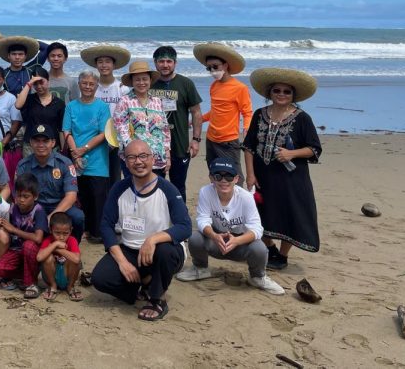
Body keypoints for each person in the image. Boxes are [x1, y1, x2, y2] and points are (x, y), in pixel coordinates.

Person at [91, 140, 191, 322]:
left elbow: (185, 227)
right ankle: (144, 284)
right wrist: (122, 262)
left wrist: (152, 239)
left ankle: (157, 299)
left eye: (143, 156)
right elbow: (106, 225)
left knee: (165, 251)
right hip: (130, 249)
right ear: (125, 161)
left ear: (153, 159)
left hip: (161, 250)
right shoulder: (119, 189)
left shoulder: (167, 189)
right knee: (100, 278)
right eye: (132, 157)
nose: (138, 162)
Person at [244, 67, 322, 270]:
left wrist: (291, 154)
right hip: (263, 176)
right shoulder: (259, 114)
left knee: (290, 213)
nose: (281, 95)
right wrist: (250, 174)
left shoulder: (302, 118)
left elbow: (314, 149)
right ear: (269, 93)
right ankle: (270, 248)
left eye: (286, 92)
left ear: (293, 95)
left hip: (291, 178)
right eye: (277, 90)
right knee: (259, 212)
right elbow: (248, 146)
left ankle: (283, 256)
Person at [176, 158, 285, 294]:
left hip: (240, 244)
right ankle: (200, 268)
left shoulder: (246, 197)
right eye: (218, 176)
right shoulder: (206, 192)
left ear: (236, 179)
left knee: (259, 248)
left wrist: (237, 240)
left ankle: (257, 277)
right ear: (211, 178)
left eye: (228, 176)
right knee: (195, 237)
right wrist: (214, 236)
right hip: (217, 241)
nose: (223, 181)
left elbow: (257, 228)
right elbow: (202, 220)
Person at [62, 70, 112, 243]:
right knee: (80, 197)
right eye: (85, 83)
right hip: (75, 159)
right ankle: (82, 230)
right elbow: (67, 130)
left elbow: (104, 132)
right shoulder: (71, 106)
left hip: (98, 160)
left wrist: (84, 149)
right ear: (79, 84)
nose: (88, 87)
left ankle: (97, 232)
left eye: (91, 84)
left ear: (97, 86)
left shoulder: (102, 107)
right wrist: (75, 153)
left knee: (97, 198)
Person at [149, 46, 203, 199]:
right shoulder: (148, 83)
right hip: (154, 146)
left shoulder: (185, 84)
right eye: (161, 61)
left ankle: (180, 221)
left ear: (175, 63)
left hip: (179, 145)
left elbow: (196, 112)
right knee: (154, 187)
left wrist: (196, 139)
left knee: (178, 187)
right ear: (155, 63)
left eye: (169, 61)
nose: (165, 65)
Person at [16, 124, 84, 241]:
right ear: (31, 143)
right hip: (34, 207)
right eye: (37, 141)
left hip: (60, 206)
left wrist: (52, 216)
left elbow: (71, 196)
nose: (41, 145)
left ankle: (72, 249)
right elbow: (19, 194)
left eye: (45, 141)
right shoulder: (23, 165)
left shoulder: (64, 163)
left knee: (78, 217)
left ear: (53, 143)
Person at [194, 43, 253, 177]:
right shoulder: (214, 86)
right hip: (210, 139)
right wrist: (197, 120)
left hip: (229, 141)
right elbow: (215, 111)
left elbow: (247, 112)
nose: (213, 70)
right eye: (209, 68)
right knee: (215, 175)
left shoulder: (240, 88)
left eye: (215, 66)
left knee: (234, 176)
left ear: (226, 65)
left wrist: (246, 129)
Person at [80, 44, 131, 182]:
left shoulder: (123, 89)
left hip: (115, 140)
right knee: (94, 178)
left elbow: (128, 116)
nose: (104, 65)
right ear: (96, 65)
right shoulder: (90, 88)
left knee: (115, 177)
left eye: (107, 62)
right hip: (93, 138)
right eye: (100, 62)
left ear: (114, 65)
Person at [0, 173, 48, 299]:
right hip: (17, 251)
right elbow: (5, 227)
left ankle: (31, 283)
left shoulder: (39, 211)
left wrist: (13, 229)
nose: (21, 199)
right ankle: (24, 275)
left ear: (35, 197)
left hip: (34, 252)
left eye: (26, 196)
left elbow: (38, 238)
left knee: (28, 246)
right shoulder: (13, 208)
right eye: (19, 195)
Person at [113, 61, 171, 180]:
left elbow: (164, 129)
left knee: (156, 193)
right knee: (135, 193)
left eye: (144, 79)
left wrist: (167, 154)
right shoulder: (125, 101)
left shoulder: (157, 101)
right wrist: (133, 152)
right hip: (135, 160)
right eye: (137, 80)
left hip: (157, 158)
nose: (141, 83)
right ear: (132, 82)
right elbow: (120, 128)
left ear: (150, 80)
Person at [15, 66, 66, 147]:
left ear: (48, 81)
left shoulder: (59, 103)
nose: (38, 86)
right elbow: (18, 105)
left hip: (51, 145)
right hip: (30, 144)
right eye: (35, 83)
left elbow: (61, 129)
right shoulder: (29, 99)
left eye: (41, 82)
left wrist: (63, 149)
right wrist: (29, 83)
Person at [37, 213, 82, 302]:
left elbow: (77, 259)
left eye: (65, 233)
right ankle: (53, 286)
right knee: (47, 258)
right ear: (50, 230)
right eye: (57, 233)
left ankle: (70, 287)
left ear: (71, 230)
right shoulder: (48, 240)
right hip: (51, 276)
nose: (61, 237)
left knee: (74, 260)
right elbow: (39, 257)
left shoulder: (72, 240)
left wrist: (58, 250)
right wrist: (55, 244)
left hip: (67, 274)